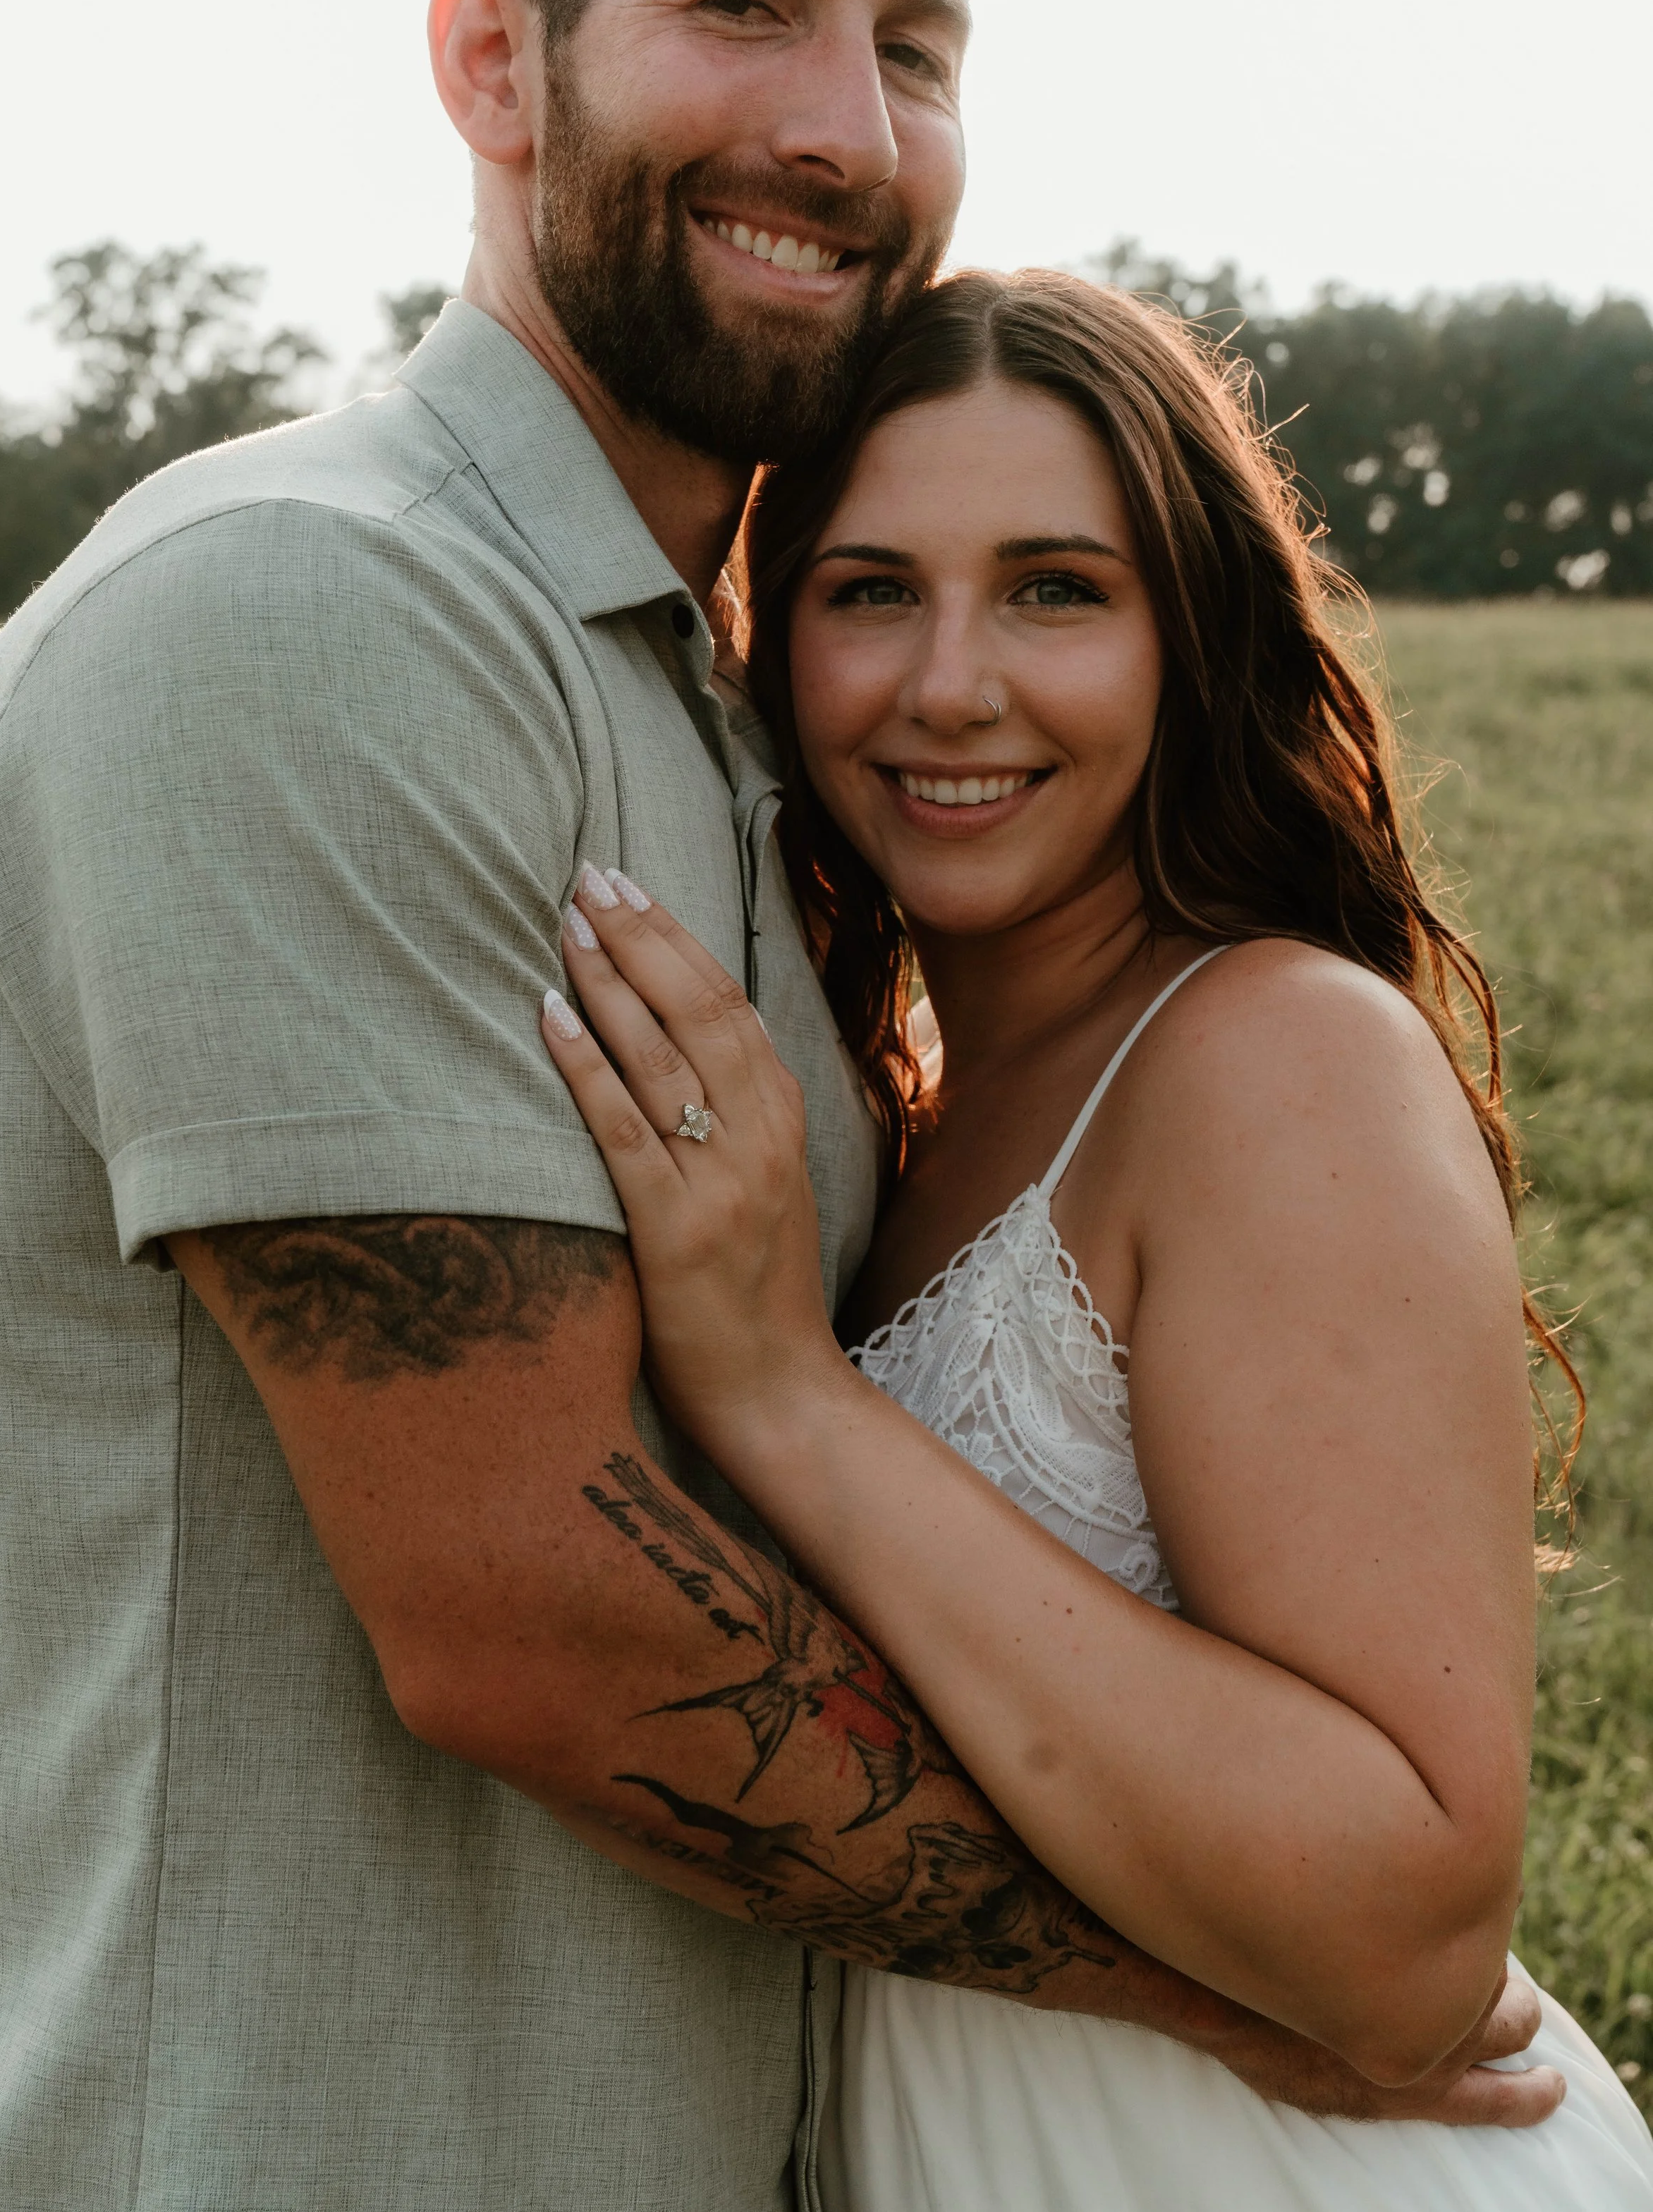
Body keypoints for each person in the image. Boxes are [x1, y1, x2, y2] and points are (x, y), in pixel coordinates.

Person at [0, 0, 1555, 2212]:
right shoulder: (308, 613)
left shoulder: (698, 716)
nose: (841, 126)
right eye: (745, 1)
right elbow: (536, 1618)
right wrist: (1219, 1984)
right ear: (493, 59)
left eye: (914, 46)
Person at [541, 266, 1653, 2209]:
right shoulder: (909, 1096)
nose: (949, 683)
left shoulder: (1274, 1055)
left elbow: (1406, 1933)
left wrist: (787, 1398)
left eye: (1054, 589)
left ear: (1187, 635)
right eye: (868, 590)